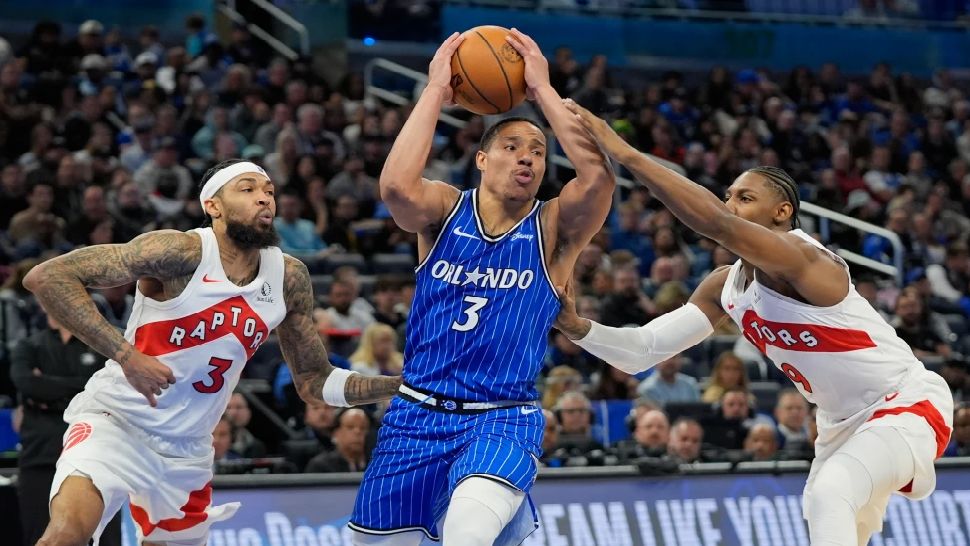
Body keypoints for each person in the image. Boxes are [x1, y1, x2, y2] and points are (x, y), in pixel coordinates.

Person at [556, 101, 954, 546]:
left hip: (903, 401)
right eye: (729, 195)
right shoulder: (724, 286)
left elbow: (717, 223)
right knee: (828, 510)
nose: (731, 204)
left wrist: (624, 153)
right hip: (838, 424)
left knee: (831, 493)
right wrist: (577, 326)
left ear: (781, 213)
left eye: (745, 198)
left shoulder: (805, 260)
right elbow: (642, 352)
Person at [22, 159, 402, 546]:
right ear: (213, 206)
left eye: (269, 191)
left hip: (187, 451)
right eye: (248, 189)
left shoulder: (288, 277)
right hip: (118, 421)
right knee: (67, 534)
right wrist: (125, 354)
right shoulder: (179, 251)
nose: (264, 199)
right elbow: (47, 277)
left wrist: (402, 386)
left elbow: (315, 383)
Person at [348, 29, 614, 546]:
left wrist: (542, 90)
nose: (526, 158)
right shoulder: (445, 210)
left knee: (468, 534)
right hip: (415, 415)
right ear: (482, 159)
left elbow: (598, 179)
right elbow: (396, 188)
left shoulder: (554, 228)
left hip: (502, 418)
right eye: (511, 147)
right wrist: (434, 90)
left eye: (537, 151)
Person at [10, 311, 121, 546]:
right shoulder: (29, 346)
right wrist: (85, 392)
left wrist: (47, 392)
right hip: (40, 458)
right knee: (42, 537)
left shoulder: (105, 345)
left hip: (97, 460)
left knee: (105, 539)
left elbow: (113, 387)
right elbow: (27, 383)